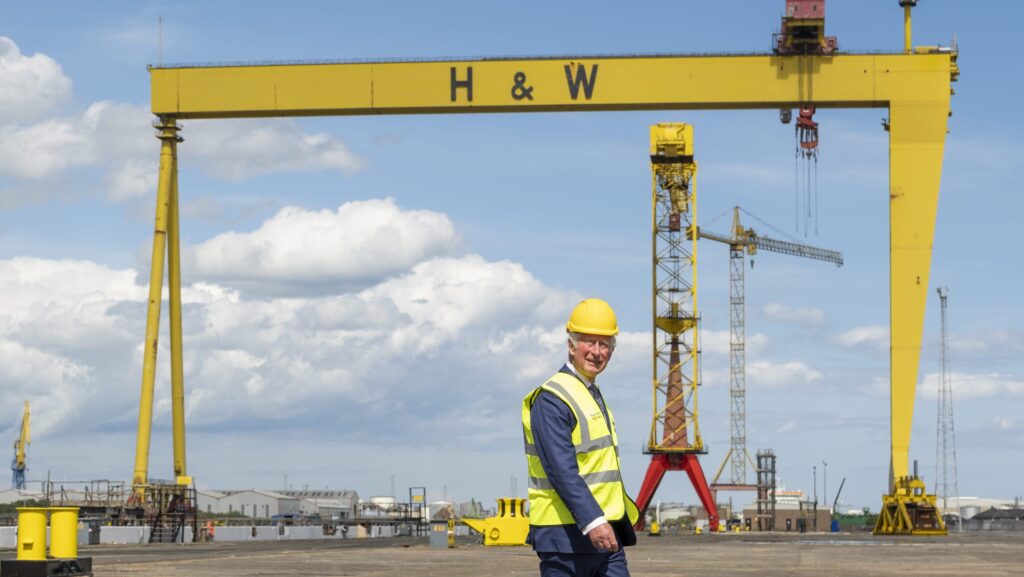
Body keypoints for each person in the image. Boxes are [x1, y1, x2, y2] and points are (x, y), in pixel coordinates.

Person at [522, 298, 639, 577]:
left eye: (605, 344)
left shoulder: (591, 394)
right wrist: (592, 521)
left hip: (606, 535)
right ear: (571, 345)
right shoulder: (552, 398)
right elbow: (561, 469)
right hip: (566, 537)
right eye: (589, 342)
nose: (597, 352)